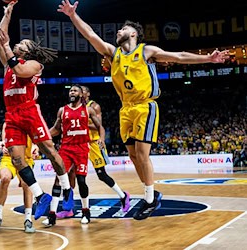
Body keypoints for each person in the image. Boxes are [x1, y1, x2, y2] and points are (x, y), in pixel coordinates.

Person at [58, 0, 231, 220]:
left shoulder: (146, 51)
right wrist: (73, 16)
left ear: (133, 34)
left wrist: (208, 58)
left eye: (123, 28)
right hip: (125, 109)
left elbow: (178, 57)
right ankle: (152, 194)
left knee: (141, 153)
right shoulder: (113, 53)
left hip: (144, 105)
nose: (119, 30)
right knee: (133, 156)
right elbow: (90, 35)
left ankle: (149, 199)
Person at [0, 0, 74, 221]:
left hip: (29, 111)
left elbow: (19, 69)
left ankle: (67, 191)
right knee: (18, 160)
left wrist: (8, 46)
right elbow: (0, 36)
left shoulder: (35, 66)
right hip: (11, 115)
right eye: (17, 43)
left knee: (49, 150)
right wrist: (8, 13)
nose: (18, 44)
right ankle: (41, 197)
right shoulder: (6, 64)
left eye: (22, 43)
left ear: (29, 51)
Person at [43, 84, 102, 227]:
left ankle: (85, 212)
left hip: (81, 149)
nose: (72, 92)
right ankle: (52, 215)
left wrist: (101, 138)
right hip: (66, 149)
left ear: (81, 94)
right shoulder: (62, 110)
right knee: (58, 180)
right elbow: (56, 129)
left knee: (81, 180)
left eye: (75, 90)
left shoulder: (88, 110)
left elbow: (100, 126)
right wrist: (42, 137)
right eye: (70, 90)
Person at [80, 85, 130, 215]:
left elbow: (99, 125)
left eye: (83, 90)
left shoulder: (94, 106)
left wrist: (81, 121)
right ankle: (70, 207)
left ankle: (123, 196)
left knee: (101, 174)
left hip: (94, 144)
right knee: (76, 175)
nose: (81, 93)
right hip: (80, 143)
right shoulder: (75, 107)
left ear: (88, 93)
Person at [0, 122, 36, 233]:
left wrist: (35, 147)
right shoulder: (8, 123)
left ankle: (28, 219)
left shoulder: (31, 121)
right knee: (5, 178)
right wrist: (4, 147)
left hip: (26, 158)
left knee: (26, 183)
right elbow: (5, 142)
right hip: (9, 158)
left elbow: (37, 140)